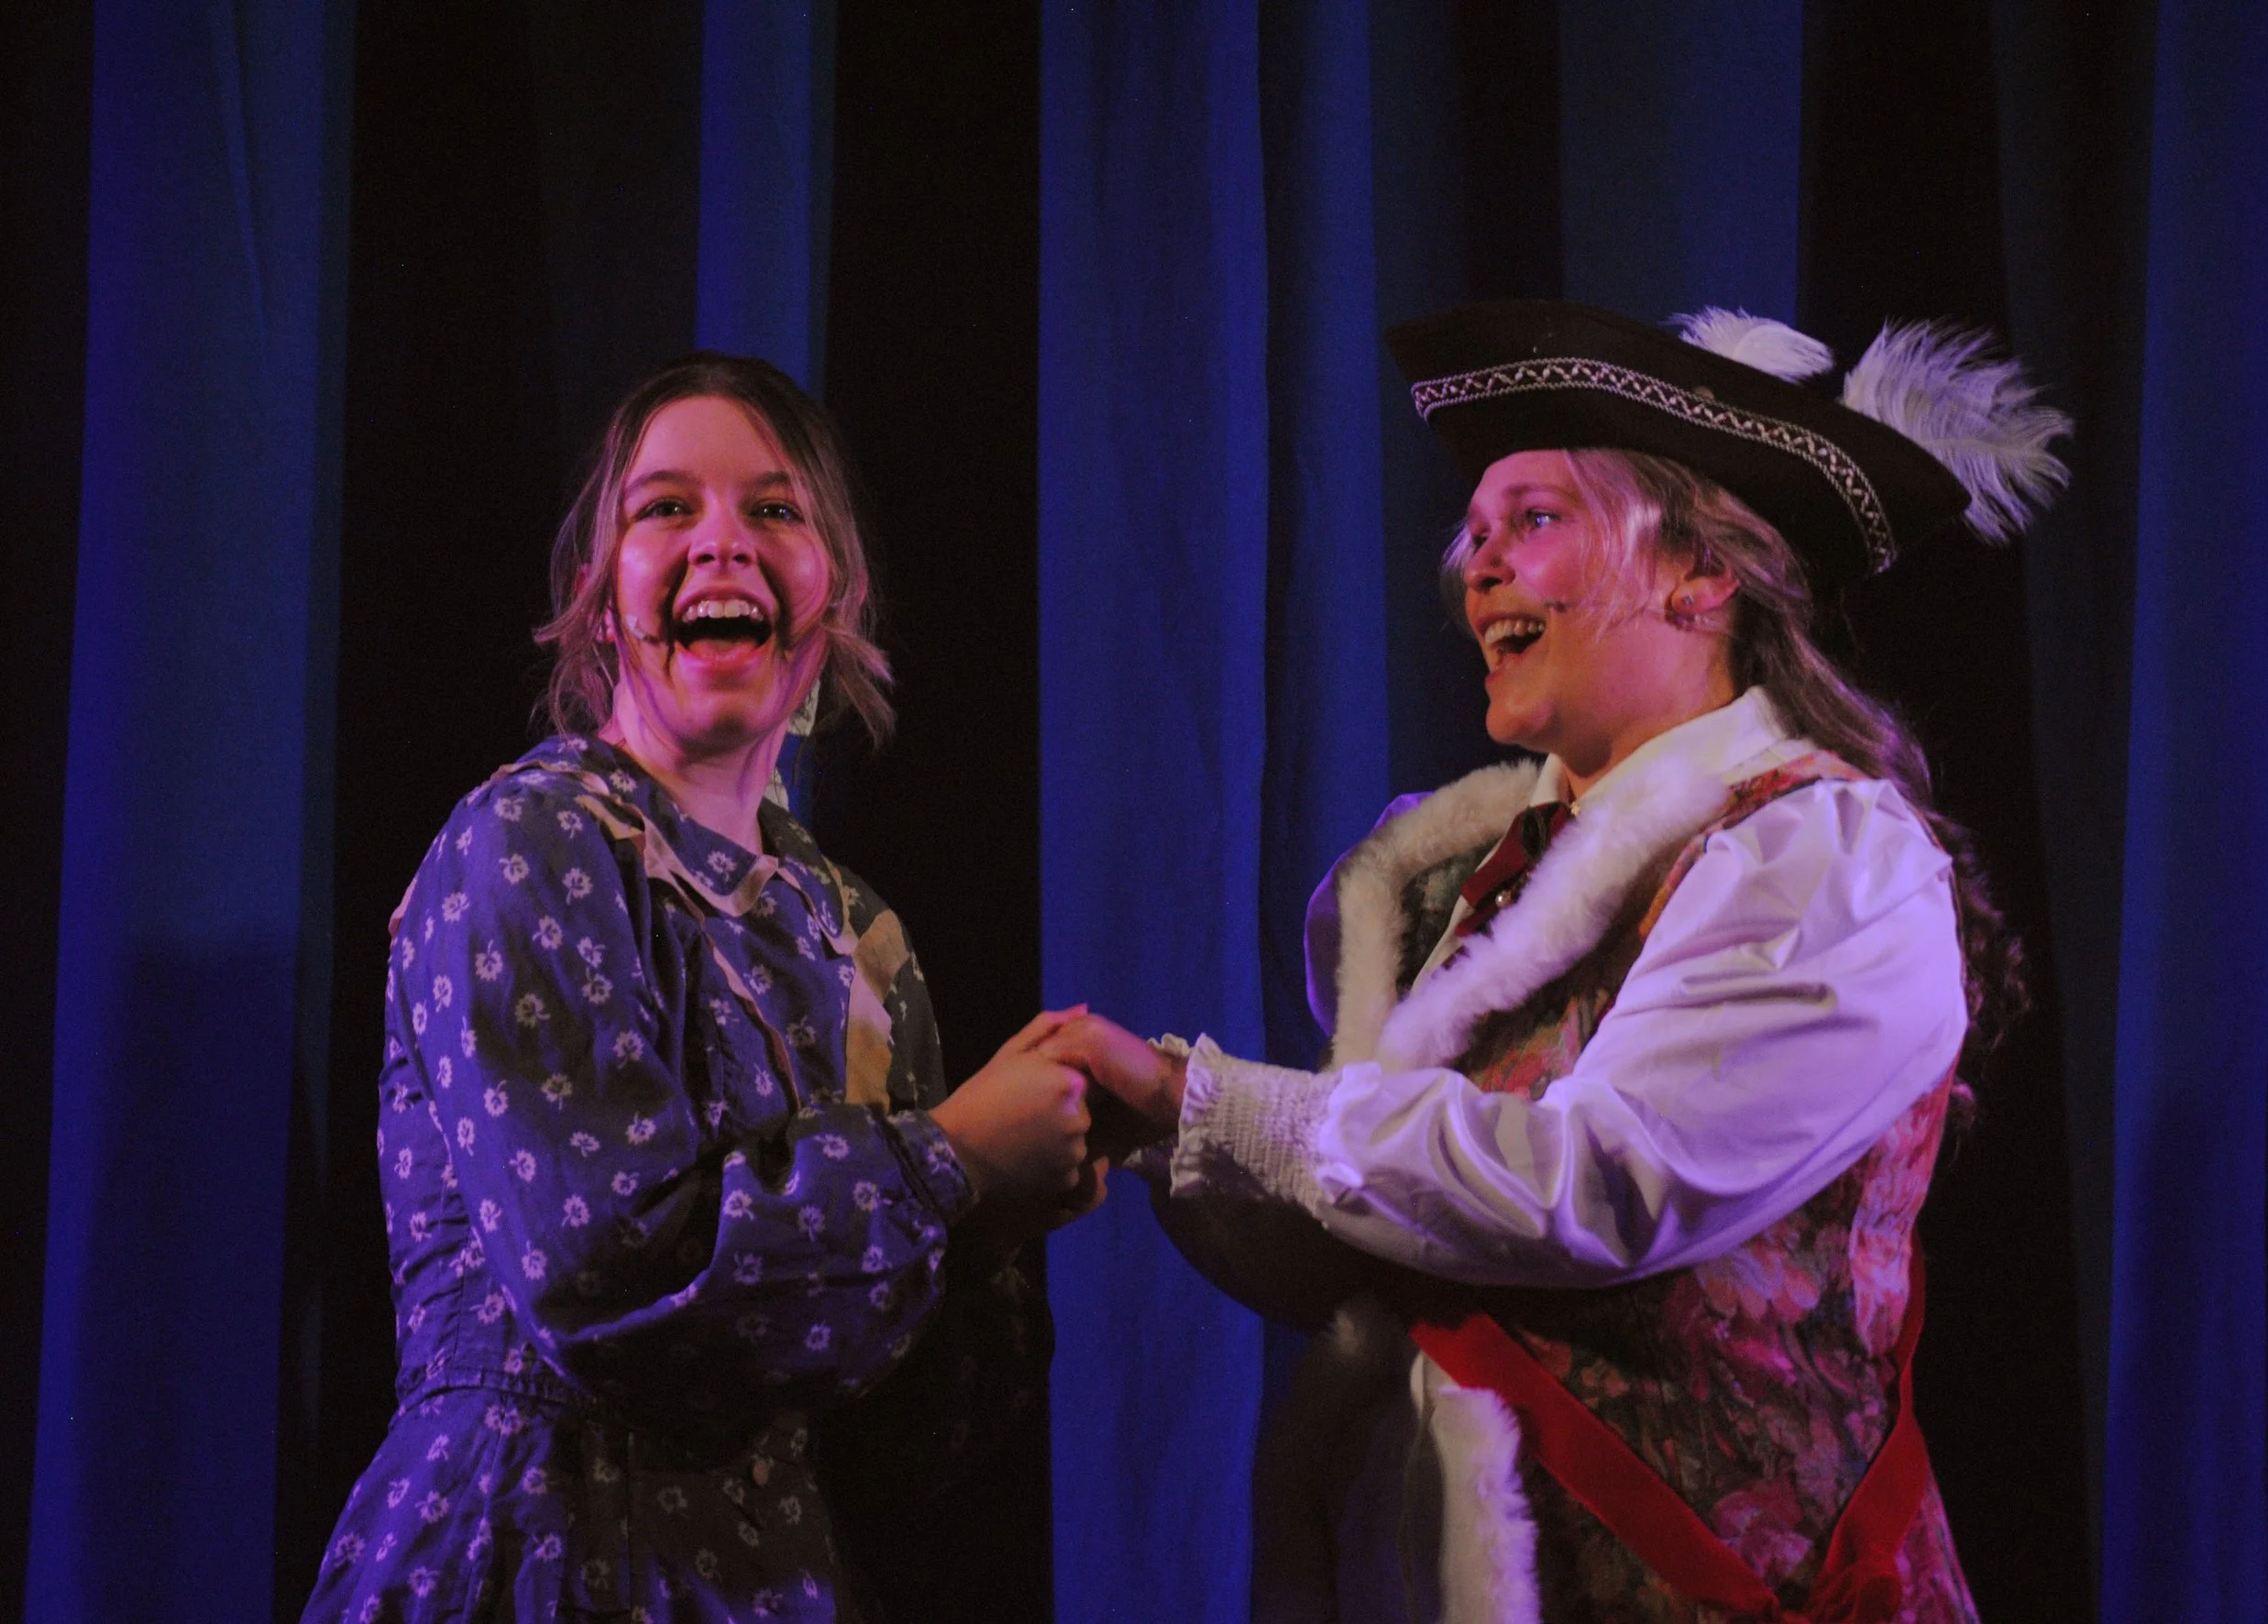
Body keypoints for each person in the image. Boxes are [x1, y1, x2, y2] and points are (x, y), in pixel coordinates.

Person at [1051, 302, 2068, 1623]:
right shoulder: (1490, 880)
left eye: (1530, 521)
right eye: (1472, 535)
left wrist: (1213, 1104)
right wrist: (1154, 1125)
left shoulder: (1825, 853)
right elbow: (1405, 1260)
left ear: (1702, 573)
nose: (1476, 567)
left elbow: (1605, 1185)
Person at [303, 354, 1098, 1624]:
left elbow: (898, 1451)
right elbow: (609, 1286)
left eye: (774, 511)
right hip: (525, 1556)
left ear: (833, 598)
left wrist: (997, 1216)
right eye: (665, 508)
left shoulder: (858, 934)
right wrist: (948, 1164)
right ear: (598, 598)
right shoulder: (528, 840)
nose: (722, 541)